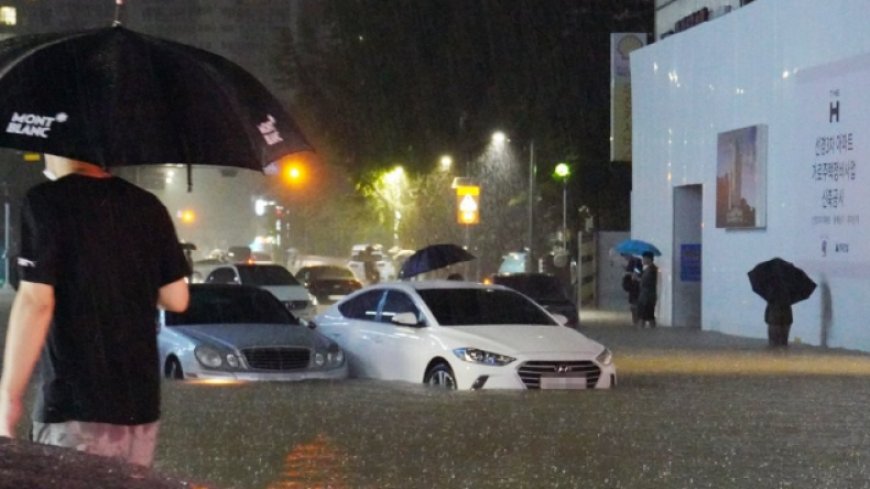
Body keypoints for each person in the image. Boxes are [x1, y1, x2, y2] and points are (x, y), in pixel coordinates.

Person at [0, 155, 190, 467]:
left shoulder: (46, 201)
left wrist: (8, 398)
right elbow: (177, 298)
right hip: (139, 409)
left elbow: (36, 303)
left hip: (75, 406)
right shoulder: (148, 205)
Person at [635, 251, 658, 328]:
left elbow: (645, 282)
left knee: (643, 316)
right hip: (646, 296)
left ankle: (642, 332)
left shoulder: (651, 270)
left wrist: (637, 279)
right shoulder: (648, 269)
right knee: (649, 316)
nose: (643, 261)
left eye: (644, 259)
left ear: (649, 259)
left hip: (647, 297)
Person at [621, 256, 642, 325]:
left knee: (636, 306)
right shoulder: (632, 263)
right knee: (634, 306)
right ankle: (636, 322)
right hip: (634, 291)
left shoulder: (637, 263)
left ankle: (637, 322)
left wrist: (636, 276)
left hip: (638, 291)